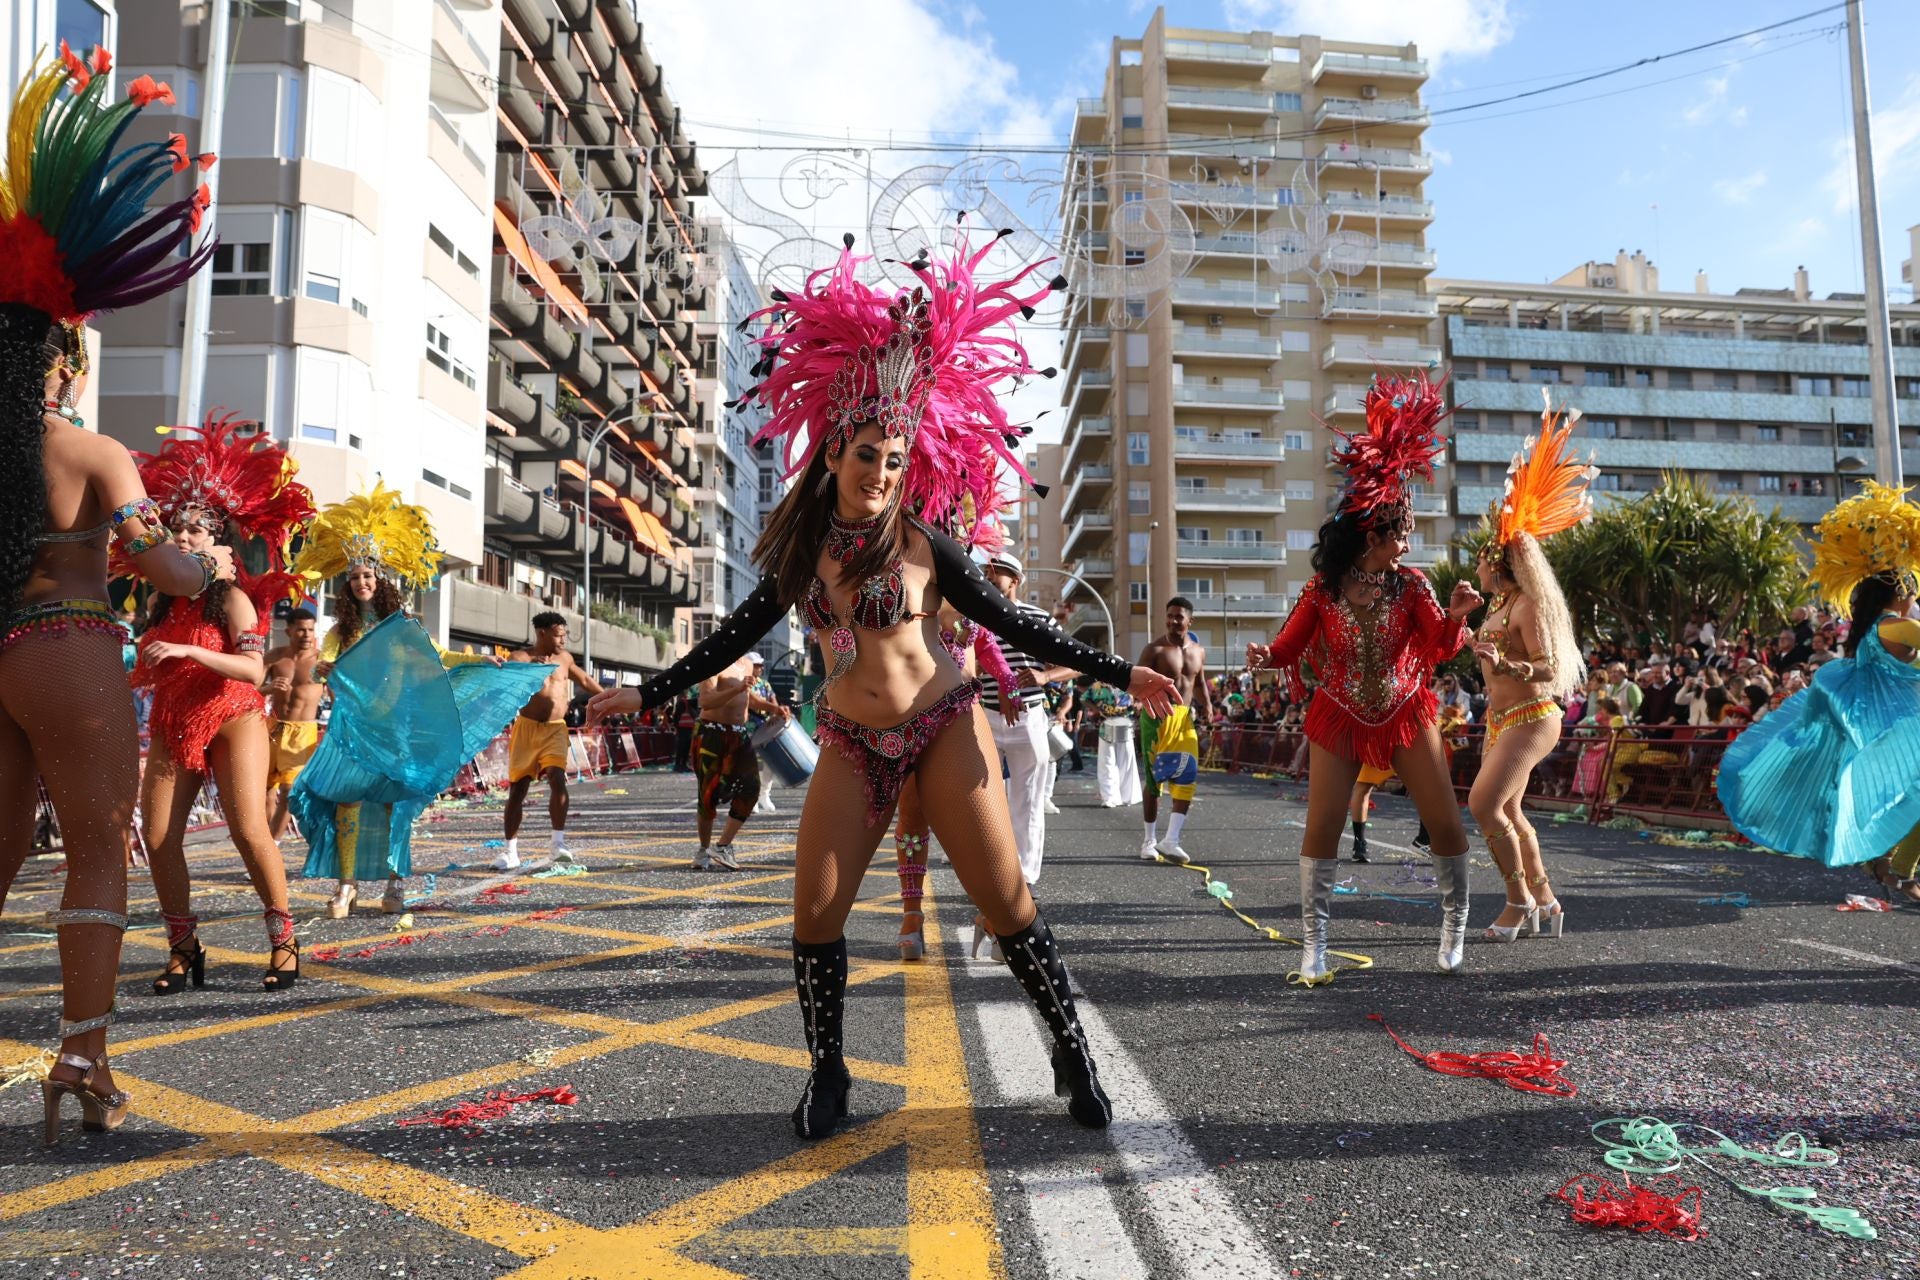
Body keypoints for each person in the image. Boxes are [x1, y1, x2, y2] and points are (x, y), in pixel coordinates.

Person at [586, 232, 1177, 1138]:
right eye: (867, 455)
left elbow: (1016, 624)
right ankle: (829, 1073)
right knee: (815, 909)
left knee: (1007, 901)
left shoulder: (926, 547)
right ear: (832, 456)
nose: (881, 473)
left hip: (944, 729)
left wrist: (1118, 667)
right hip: (854, 744)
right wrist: (653, 690)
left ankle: (1070, 1047)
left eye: (895, 461)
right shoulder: (800, 551)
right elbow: (741, 632)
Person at [0, 45, 228, 1144]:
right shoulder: (91, 452)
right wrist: (211, 570)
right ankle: (81, 1057)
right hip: (68, 645)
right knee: (96, 848)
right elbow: (159, 565)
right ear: (62, 361)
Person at [1246, 373, 1482, 983]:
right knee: (1322, 826)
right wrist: (1262, 656)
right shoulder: (1322, 590)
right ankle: (1315, 946)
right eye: (1400, 535)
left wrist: (1454, 618)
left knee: (1446, 822)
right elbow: (1289, 645)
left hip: (1408, 710)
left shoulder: (1413, 585)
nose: (1407, 544)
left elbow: (1437, 645)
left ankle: (1454, 928)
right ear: (1373, 535)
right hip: (1339, 716)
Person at [291, 485, 548, 915]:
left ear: (379, 580)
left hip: (395, 726)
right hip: (353, 727)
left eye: (367, 576)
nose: (360, 583)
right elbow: (324, 663)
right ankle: (347, 885)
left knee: (394, 804)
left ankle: (395, 885)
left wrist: (481, 659)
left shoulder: (401, 627)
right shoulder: (341, 631)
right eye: (354, 578)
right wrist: (324, 669)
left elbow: (437, 658)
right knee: (346, 800)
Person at [129, 414, 316, 996]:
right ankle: (185, 950)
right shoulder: (159, 601)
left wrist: (187, 649)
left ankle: (283, 940)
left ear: (216, 541)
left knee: (247, 830)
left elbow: (253, 669)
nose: (182, 540)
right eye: (175, 531)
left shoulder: (233, 599)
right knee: (158, 837)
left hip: (234, 715)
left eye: (194, 532)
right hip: (174, 721)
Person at [1720, 483, 1920, 869]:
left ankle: (1886, 862)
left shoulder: (1874, 628)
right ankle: (1898, 867)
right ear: (1902, 592)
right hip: (1895, 724)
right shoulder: (1897, 626)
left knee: (1894, 795)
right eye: (1913, 589)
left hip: (1886, 722)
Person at [1466, 395, 1595, 943]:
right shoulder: (1495, 606)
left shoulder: (1527, 606)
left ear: (1497, 562)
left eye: (1480, 554)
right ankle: (1546, 898)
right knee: (1513, 814)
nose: (1475, 560)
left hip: (1533, 715)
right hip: (1503, 719)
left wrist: (1505, 660)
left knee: (1483, 804)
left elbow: (1547, 671)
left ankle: (1517, 901)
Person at [894, 600, 1020, 960]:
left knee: (979, 824)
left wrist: (1008, 680)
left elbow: (986, 646)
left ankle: (992, 915)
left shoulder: (966, 587)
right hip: (914, 717)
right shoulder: (910, 588)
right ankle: (911, 916)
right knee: (913, 816)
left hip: (963, 721)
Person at [980, 551, 1079, 886]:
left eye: (998, 572)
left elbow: (1076, 662)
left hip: (1028, 719)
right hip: (984, 718)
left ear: (1016, 580)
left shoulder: (1038, 618)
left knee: (1029, 803)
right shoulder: (974, 616)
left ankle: (1024, 879)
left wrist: (1045, 677)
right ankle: (990, 873)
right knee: (982, 802)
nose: (990, 576)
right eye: (985, 572)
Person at [494, 612, 601, 871]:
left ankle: (558, 845)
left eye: (565, 634)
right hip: (527, 729)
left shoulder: (564, 659)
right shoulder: (519, 658)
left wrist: (612, 698)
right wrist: (532, 672)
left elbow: (585, 680)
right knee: (518, 790)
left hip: (555, 729)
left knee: (556, 776)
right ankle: (510, 851)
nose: (563, 640)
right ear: (542, 633)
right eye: (558, 634)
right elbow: (506, 686)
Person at [689, 651, 788, 870]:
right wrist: (737, 688)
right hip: (711, 734)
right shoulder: (715, 662)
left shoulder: (746, 664)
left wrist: (774, 708)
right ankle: (703, 850)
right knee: (708, 795)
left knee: (752, 788)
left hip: (739, 735)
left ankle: (723, 846)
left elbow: (750, 699)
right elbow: (705, 700)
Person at [1137, 596, 1213, 864]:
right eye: (1169, 616)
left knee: (1187, 774)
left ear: (1189, 620)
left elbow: (1200, 683)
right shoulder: (1154, 649)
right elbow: (1136, 681)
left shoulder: (1199, 651)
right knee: (1155, 778)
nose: (1172, 621)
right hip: (1156, 717)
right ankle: (1149, 840)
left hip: (1184, 719)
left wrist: (1209, 707)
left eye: (1178, 617)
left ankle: (1171, 840)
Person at [263, 606, 325, 840]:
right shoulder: (275, 657)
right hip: (273, 728)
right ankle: (263, 847)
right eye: (301, 630)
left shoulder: (321, 662)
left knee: (289, 792)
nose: (307, 635)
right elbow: (250, 689)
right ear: (289, 631)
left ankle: (272, 846)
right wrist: (268, 688)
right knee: (264, 792)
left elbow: (339, 697)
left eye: (310, 630)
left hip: (302, 732)